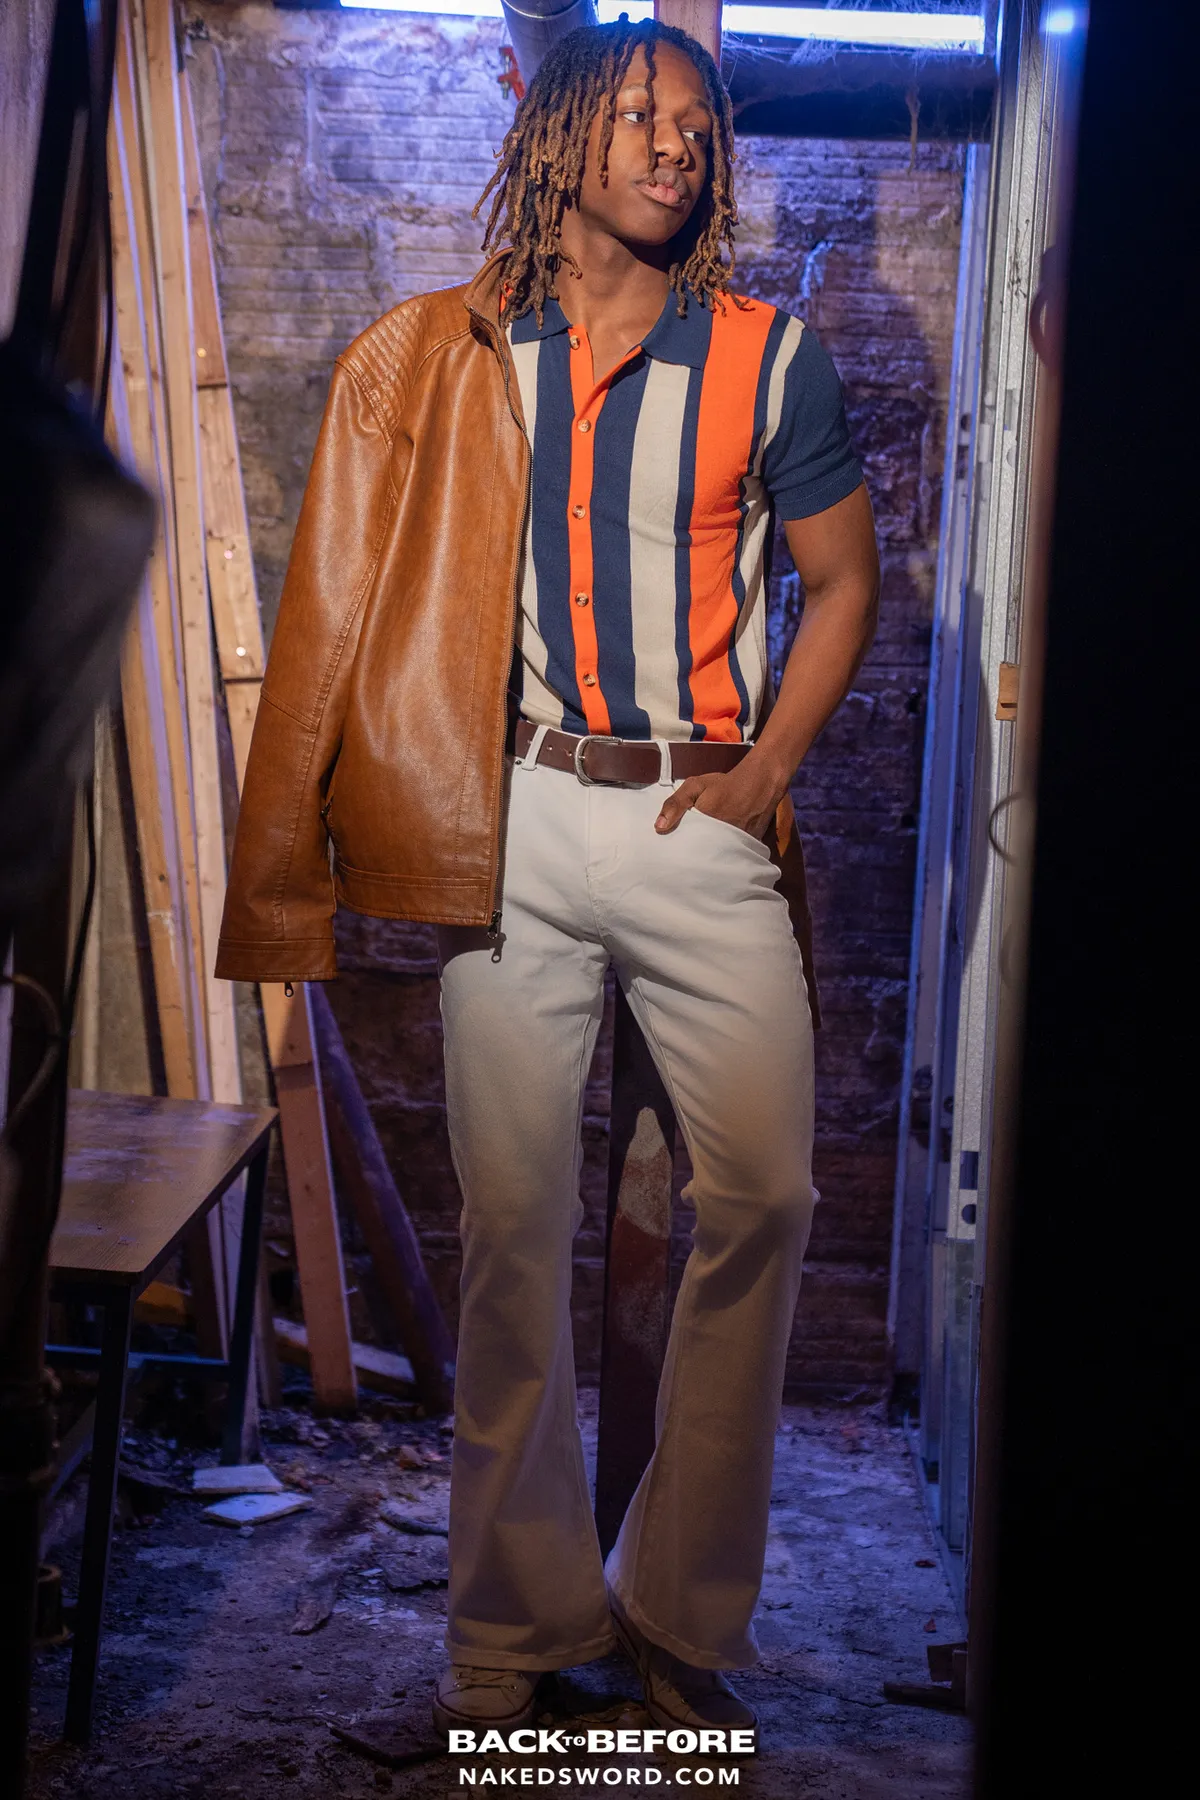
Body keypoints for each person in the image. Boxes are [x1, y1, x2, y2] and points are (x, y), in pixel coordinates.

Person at [215, 18, 879, 1741]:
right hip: (505, 824)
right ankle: (513, 1630)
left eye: (696, 125)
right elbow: (342, 600)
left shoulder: (771, 355)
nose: (673, 146)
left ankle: (676, 1609)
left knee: (764, 1196)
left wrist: (762, 780)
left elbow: (844, 586)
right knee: (513, 1232)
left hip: (692, 822)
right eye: (639, 115)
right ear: (560, 130)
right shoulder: (454, 354)